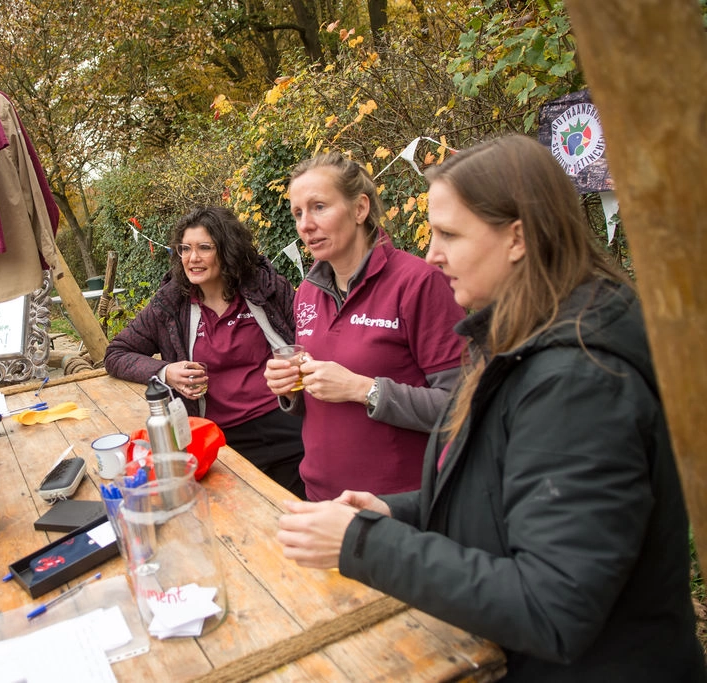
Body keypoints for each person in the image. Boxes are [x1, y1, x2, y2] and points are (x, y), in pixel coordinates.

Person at [276, 135, 707, 681]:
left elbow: (554, 607)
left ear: (517, 238)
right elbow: (501, 490)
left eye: (449, 234)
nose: (432, 254)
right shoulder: (517, 336)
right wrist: (400, 511)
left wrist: (363, 542)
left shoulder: (579, 379)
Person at [264, 151, 465, 501]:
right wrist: (290, 390)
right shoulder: (307, 293)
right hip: (321, 497)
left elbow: (461, 407)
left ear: (360, 209)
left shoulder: (419, 283)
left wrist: (364, 389)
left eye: (319, 207)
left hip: (399, 505)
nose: (304, 225)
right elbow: (320, 396)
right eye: (298, 213)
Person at [105, 206, 306, 498]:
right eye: (185, 248)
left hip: (285, 421)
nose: (192, 258)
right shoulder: (171, 303)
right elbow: (116, 353)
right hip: (219, 438)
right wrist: (165, 372)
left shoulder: (266, 289)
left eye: (204, 248)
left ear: (227, 250)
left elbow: (311, 337)